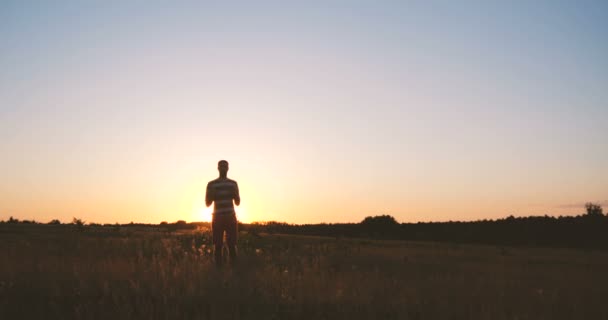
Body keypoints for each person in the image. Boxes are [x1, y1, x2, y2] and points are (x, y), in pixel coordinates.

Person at [206, 160, 240, 266]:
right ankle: (218, 272)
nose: (223, 168)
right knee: (217, 246)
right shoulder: (211, 184)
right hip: (217, 218)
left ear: (228, 168)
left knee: (232, 245)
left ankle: (234, 272)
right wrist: (212, 195)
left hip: (230, 217)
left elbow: (238, 202)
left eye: (225, 166)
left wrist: (236, 195)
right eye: (221, 166)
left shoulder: (233, 183)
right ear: (218, 168)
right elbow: (207, 203)